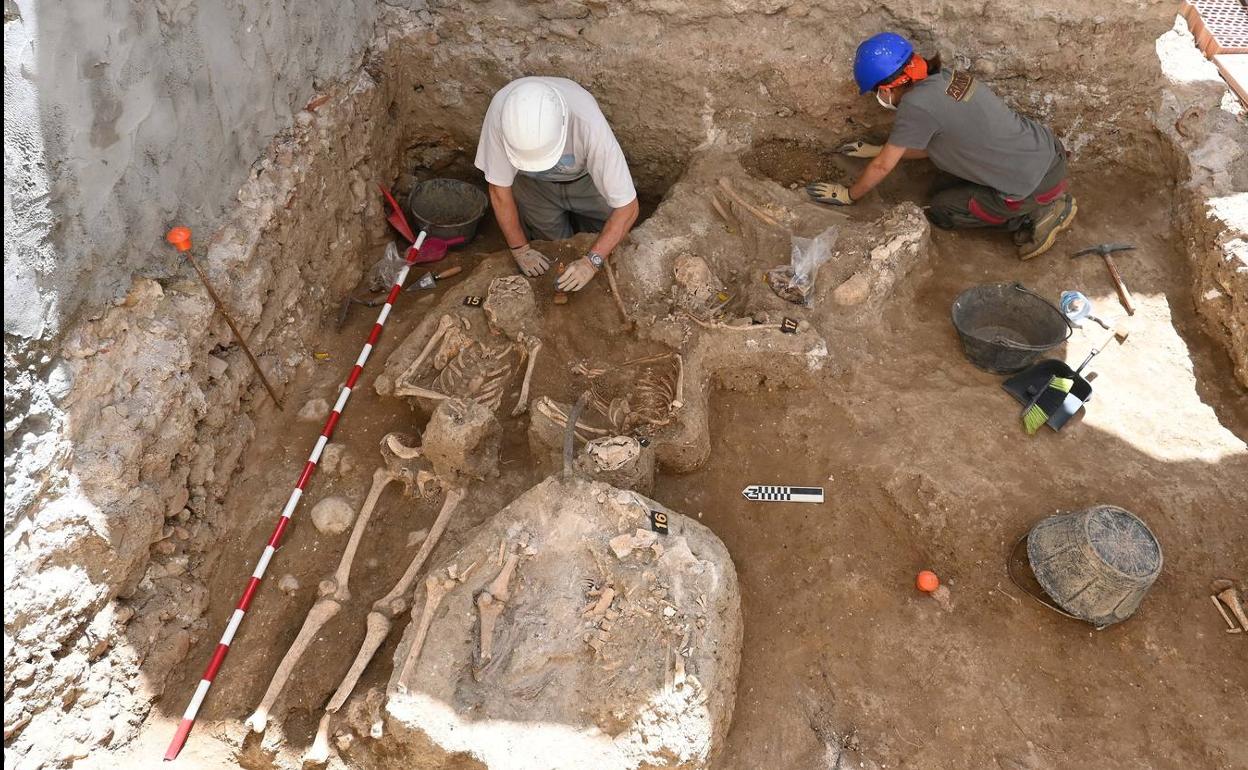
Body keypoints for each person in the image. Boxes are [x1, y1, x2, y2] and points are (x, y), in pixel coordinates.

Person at [806, 33, 1077, 260]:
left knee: (941, 209)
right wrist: (879, 148)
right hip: (1048, 153)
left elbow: (883, 166)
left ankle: (1038, 214)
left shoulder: (914, 106)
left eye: (877, 91)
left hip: (1030, 188)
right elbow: (940, 146)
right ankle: (1038, 202)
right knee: (942, 183)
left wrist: (849, 195)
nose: (880, 97)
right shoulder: (946, 77)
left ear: (888, 88)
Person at [475, 76, 640, 291]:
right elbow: (499, 190)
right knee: (553, 248)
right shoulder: (502, 116)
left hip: (585, 182)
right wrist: (520, 249)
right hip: (532, 187)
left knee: (606, 236)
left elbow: (628, 207)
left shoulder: (587, 123)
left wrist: (592, 262)